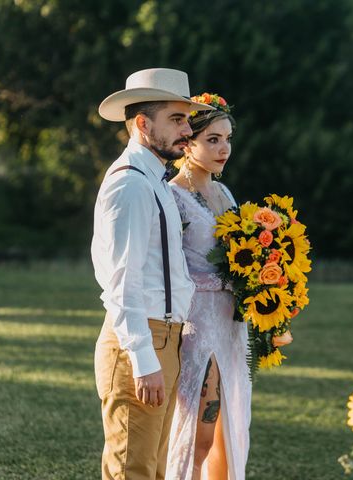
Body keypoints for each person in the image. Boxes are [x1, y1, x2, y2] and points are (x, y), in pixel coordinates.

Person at [91, 68, 214, 480]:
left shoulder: (154, 179)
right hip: (138, 342)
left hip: (165, 337)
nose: (186, 130)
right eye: (176, 120)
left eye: (186, 119)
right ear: (143, 124)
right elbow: (120, 282)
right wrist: (143, 359)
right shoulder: (130, 185)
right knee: (133, 470)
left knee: (153, 470)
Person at [166, 93, 252, 480]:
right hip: (197, 323)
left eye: (227, 139)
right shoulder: (173, 196)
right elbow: (170, 267)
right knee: (199, 433)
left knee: (226, 431)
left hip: (231, 323)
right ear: (188, 142)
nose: (224, 149)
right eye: (213, 140)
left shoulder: (226, 195)